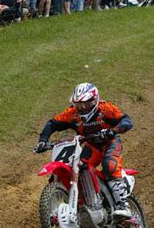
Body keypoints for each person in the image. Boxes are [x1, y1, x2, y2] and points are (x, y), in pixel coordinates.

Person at [34, 83, 134, 219]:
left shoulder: (105, 109)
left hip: (110, 142)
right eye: (79, 105)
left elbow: (126, 121)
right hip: (92, 146)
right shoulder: (72, 114)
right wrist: (43, 140)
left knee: (109, 166)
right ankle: (86, 201)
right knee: (79, 167)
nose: (83, 108)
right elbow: (52, 123)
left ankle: (123, 205)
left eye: (87, 103)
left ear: (95, 100)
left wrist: (113, 130)